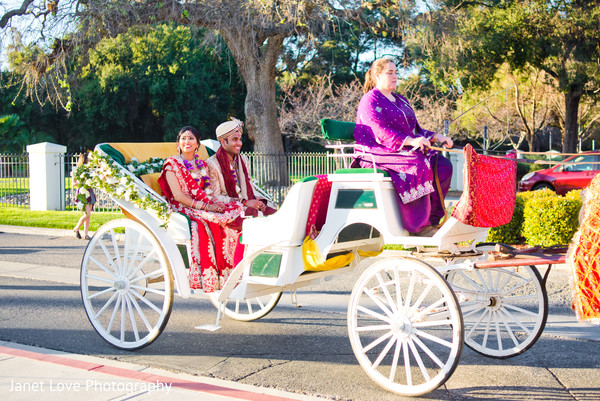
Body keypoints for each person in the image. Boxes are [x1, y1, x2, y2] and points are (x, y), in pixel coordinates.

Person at [353, 58, 454, 237]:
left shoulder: (401, 100)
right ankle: (418, 227)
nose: (395, 76)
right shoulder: (369, 100)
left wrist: (437, 137)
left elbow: (415, 129)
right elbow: (379, 131)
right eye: (389, 73)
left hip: (403, 148)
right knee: (417, 163)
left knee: (443, 165)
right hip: (376, 151)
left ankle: (433, 219)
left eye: (396, 72)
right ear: (377, 75)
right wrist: (410, 141)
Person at [158, 126, 245, 292]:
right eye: (183, 138)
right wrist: (207, 207)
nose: (187, 142)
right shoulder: (172, 164)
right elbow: (178, 196)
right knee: (215, 219)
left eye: (191, 138)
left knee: (235, 209)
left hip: (203, 203)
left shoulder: (202, 165)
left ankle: (235, 267)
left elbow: (208, 191)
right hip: (183, 207)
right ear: (178, 143)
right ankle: (218, 273)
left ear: (197, 143)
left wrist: (215, 203)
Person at [206, 117, 277, 225]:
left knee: (275, 214)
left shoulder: (243, 159)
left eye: (240, 139)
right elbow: (215, 197)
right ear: (223, 142)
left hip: (246, 203)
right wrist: (244, 202)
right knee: (260, 221)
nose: (239, 143)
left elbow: (250, 187)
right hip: (229, 208)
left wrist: (257, 201)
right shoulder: (212, 163)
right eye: (235, 139)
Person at [73, 153, 96, 240]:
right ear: (84, 160)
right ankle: (76, 228)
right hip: (83, 193)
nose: (89, 160)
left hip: (89, 192)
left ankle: (86, 234)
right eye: (88, 159)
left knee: (88, 215)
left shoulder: (89, 170)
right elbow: (73, 183)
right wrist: (83, 182)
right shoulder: (78, 171)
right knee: (87, 214)